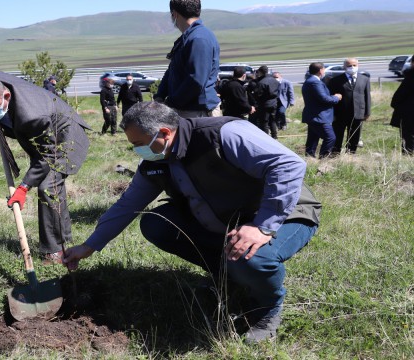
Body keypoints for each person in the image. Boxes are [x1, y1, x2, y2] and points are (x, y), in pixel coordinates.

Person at [63, 101, 321, 343]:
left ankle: (267, 307)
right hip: (227, 220)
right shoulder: (157, 160)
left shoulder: (223, 134)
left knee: (250, 258)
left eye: (139, 143)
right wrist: (91, 245)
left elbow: (288, 164)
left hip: (285, 214)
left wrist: (263, 225)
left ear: (164, 132)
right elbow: (128, 204)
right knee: (156, 222)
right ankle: (228, 276)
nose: (136, 150)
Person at [0, 58, 90, 264]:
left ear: (6, 95)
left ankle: (56, 250)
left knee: (48, 187)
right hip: (41, 135)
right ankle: (59, 239)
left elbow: (47, 155)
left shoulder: (32, 116)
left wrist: (24, 187)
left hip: (63, 137)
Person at [154, 0, 220, 118]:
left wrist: (171, 102)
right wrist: (160, 95)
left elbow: (196, 80)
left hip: (197, 112)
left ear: (174, 14)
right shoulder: (188, 37)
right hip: (186, 109)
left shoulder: (199, 38)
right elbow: (172, 70)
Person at [327, 58, 371, 155]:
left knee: (354, 135)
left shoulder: (364, 79)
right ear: (344, 67)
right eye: (349, 65)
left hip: (357, 113)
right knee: (338, 135)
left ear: (358, 65)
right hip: (340, 114)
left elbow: (367, 96)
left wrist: (367, 112)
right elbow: (330, 98)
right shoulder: (335, 80)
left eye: (354, 65)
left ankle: (351, 154)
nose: (352, 67)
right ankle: (335, 153)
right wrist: (331, 114)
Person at [302, 62, 342, 158]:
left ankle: (309, 158)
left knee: (313, 139)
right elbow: (324, 98)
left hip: (313, 116)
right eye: (324, 69)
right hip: (318, 116)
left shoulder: (309, 81)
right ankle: (323, 158)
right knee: (330, 137)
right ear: (321, 70)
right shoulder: (315, 82)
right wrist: (336, 97)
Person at [390, 55, 414, 155]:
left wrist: (396, 105)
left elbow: (399, 96)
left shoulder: (411, 77)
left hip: (409, 115)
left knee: (409, 142)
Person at [251, 66, 279, 139]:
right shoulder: (274, 80)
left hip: (264, 104)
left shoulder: (261, 82)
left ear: (260, 72)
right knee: (272, 120)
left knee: (264, 122)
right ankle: (274, 136)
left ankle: (266, 138)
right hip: (274, 103)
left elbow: (257, 95)